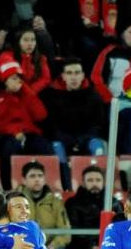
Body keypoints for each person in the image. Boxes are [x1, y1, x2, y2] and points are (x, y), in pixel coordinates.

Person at [0, 60, 51, 187]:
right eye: (14, 78)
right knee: (10, 148)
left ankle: (47, 186)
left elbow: (41, 115)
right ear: (4, 80)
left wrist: (26, 90)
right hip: (6, 135)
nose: (18, 81)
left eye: (20, 79)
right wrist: (14, 131)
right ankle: (8, 187)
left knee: (44, 147)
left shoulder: (25, 95)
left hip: (28, 133)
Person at [41, 57, 108, 188]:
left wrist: (81, 141)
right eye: (69, 73)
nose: (74, 77)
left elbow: (98, 125)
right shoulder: (51, 95)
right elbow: (50, 126)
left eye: (77, 73)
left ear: (83, 75)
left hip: (86, 139)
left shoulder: (93, 95)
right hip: (62, 140)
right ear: (63, 76)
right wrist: (70, 141)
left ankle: (101, 187)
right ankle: (65, 187)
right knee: (56, 146)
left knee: (98, 145)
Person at [17, 160, 73, 249]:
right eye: (32, 176)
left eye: (40, 176)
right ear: (24, 180)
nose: (37, 179)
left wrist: (53, 247)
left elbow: (65, 231)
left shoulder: (56, 202)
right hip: (21, 248)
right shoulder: (14, 201)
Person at [66, 165, 123, 249]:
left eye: (98, 180)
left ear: (103, 182)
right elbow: (74, 232)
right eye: (90, 180)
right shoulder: (72, 203)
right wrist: (92, 247)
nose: (94, 183)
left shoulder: (114, 203)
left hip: (110, 247)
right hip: (81, 248)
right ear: (83, 183)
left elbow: (121, 229)